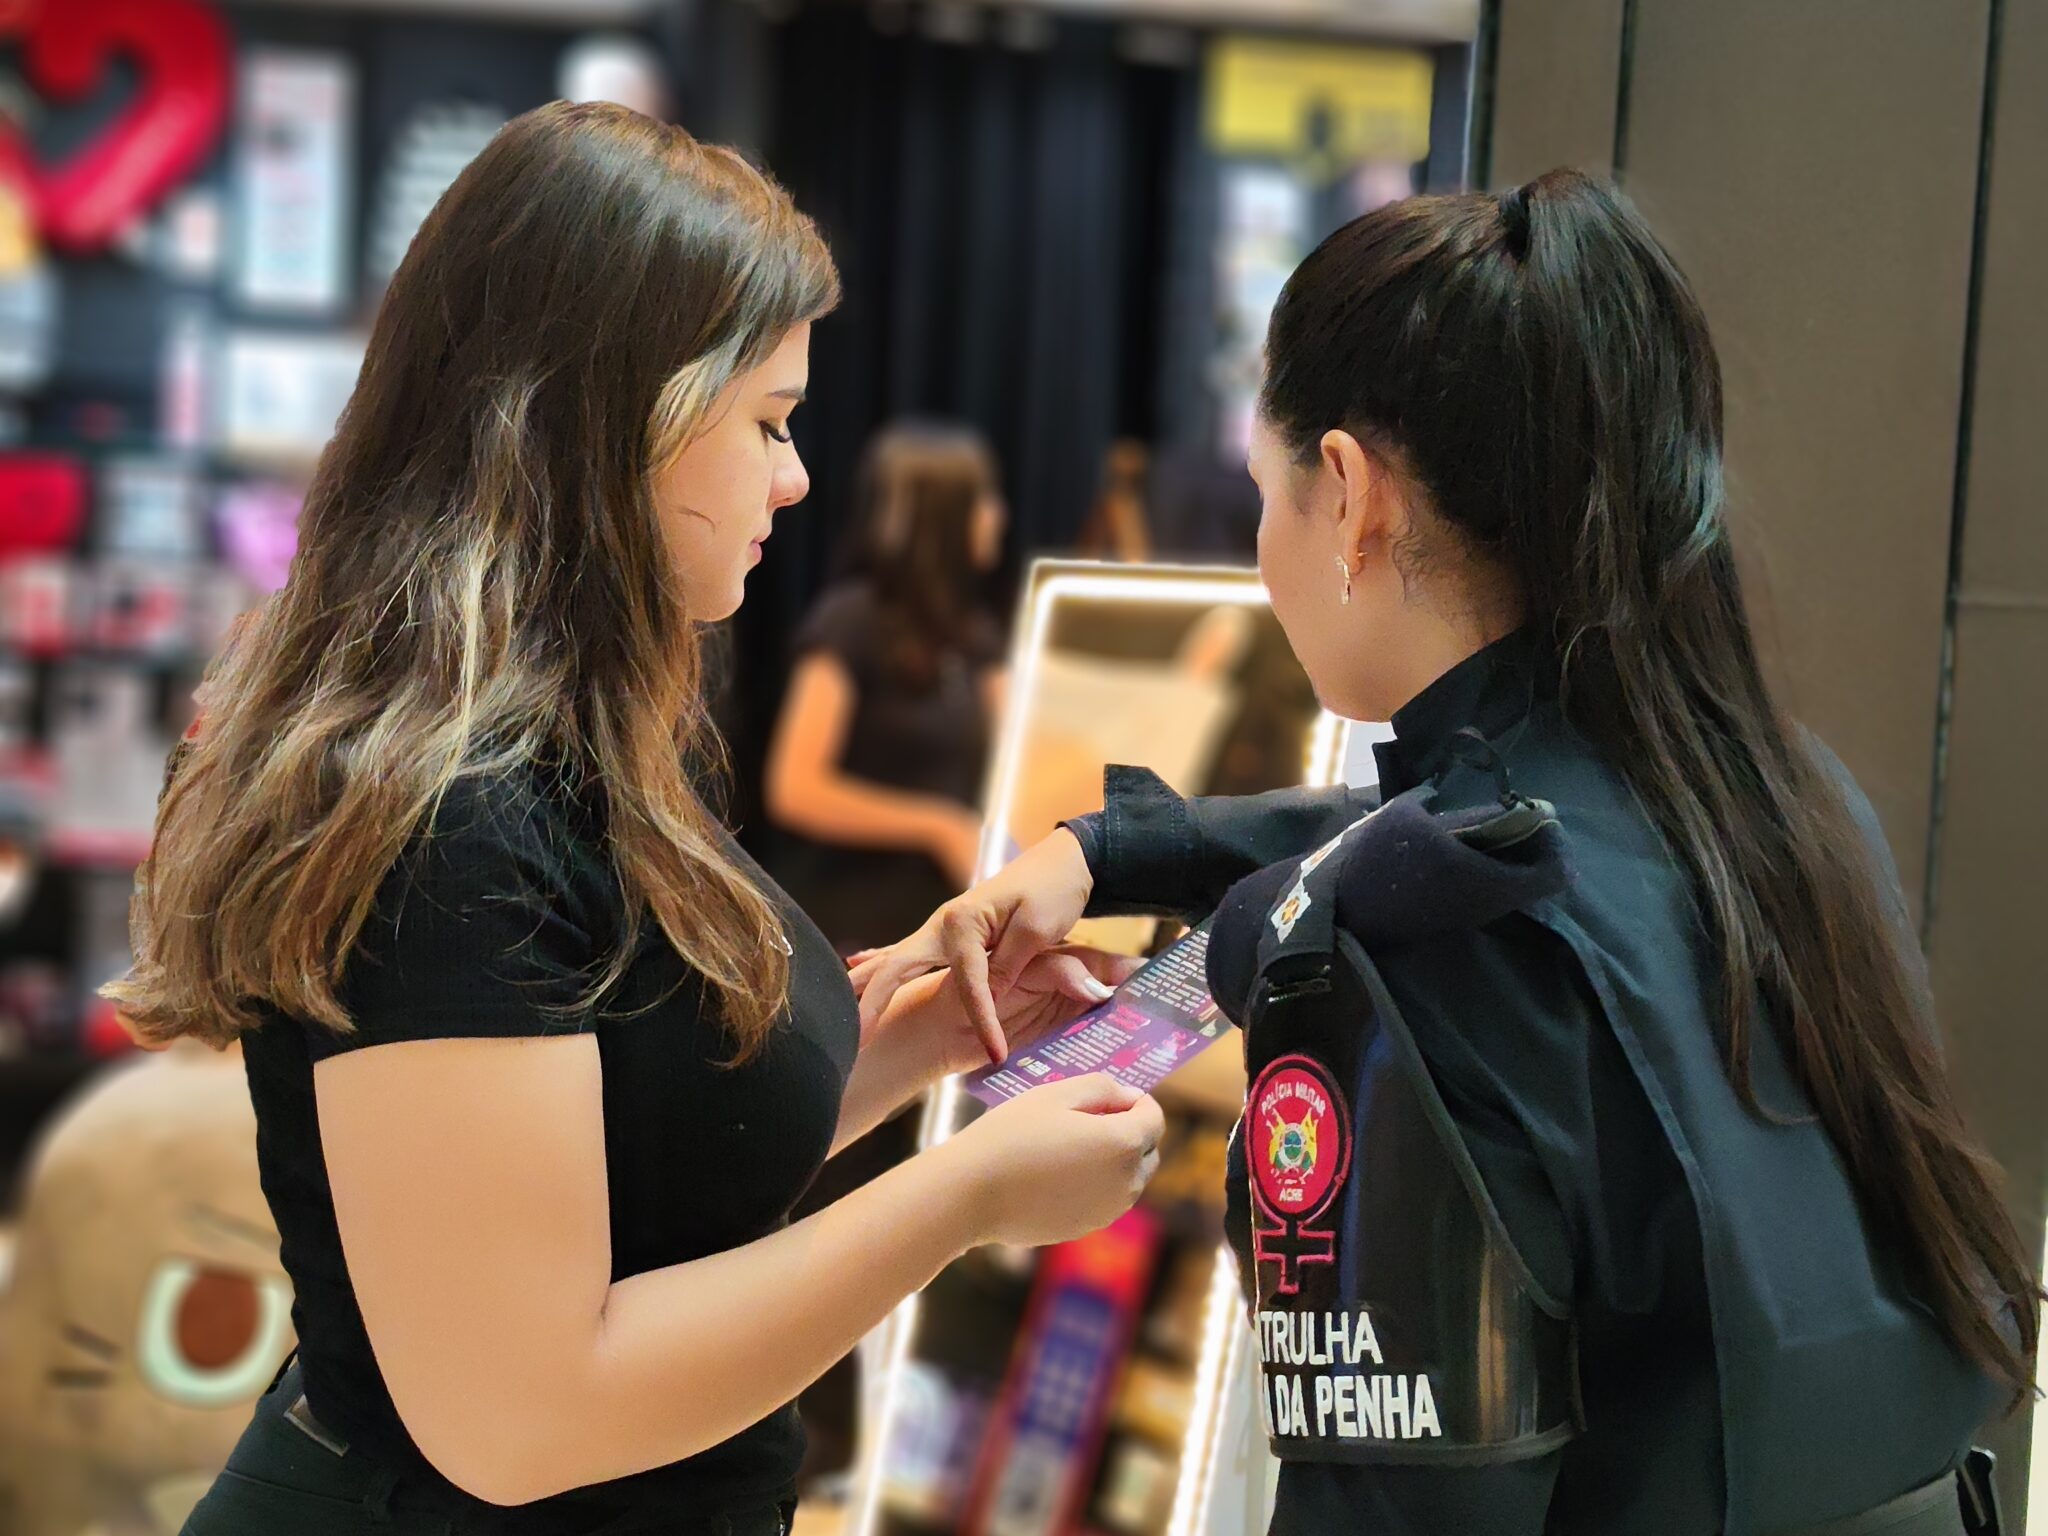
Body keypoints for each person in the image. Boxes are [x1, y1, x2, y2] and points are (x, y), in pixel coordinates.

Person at [853, 170, 2037, 1535]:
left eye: (1266, 493)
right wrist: (1111, 851)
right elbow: (1456, 837)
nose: (1261, 547)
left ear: (1348, 494)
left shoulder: (1406, 954)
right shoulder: (1784, 813)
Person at [108, 101, 1161, 1536]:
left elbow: (643, 1169)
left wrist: (930, 1040)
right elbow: (527, 1412)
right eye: (768, 424)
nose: (793, 478)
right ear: (617, 425)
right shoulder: (450, 820)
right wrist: (964, 1199)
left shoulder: (568, 751)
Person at [764, 421, 1007, 955]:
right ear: (942, 516)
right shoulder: (849, 622)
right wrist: (937, 825)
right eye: (982, 499)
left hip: (950, 916)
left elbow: (1022, 754)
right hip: (852, 914)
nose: (997, 516)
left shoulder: (977, 634)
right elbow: (796, 788)